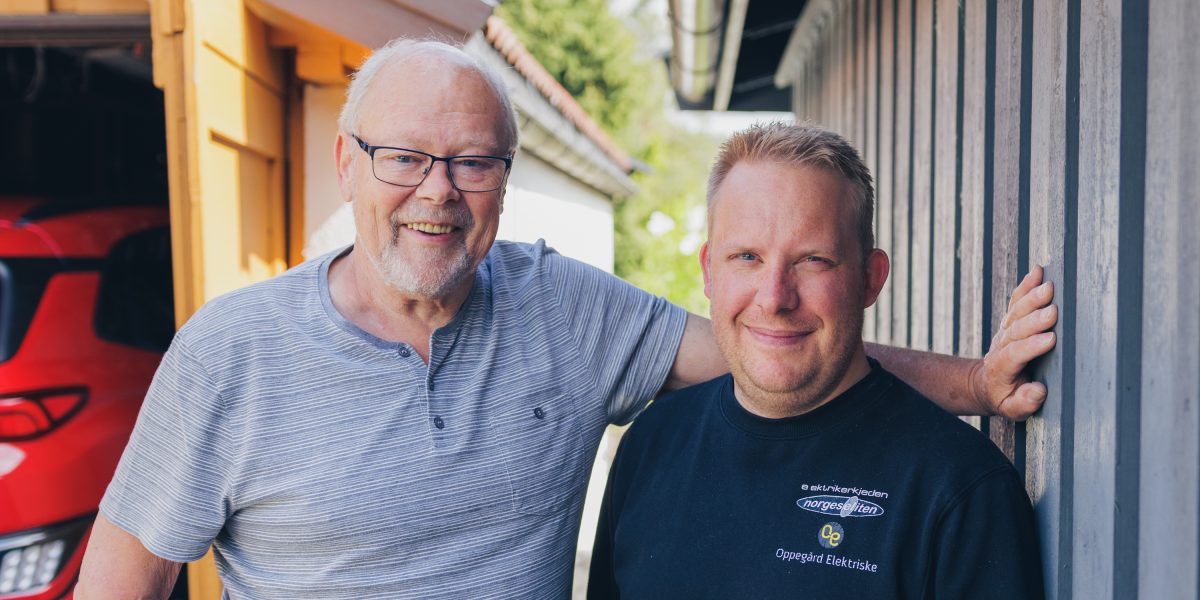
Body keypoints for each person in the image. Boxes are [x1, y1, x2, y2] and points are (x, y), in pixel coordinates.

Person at [76, 40, 1056, 599]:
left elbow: (775, 346)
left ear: (506, 183)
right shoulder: (229, 353)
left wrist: (974, 385)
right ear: (345, 162)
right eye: (403, 157)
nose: (439, 191)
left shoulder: (569, 310)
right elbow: (121, 586)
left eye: (473, 162)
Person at [587, 122, 1045, 599]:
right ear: (708, 272)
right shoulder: (651, 446)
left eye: (813, 260)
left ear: (871, 278)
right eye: (747, 256)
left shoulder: (960, 489)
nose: (774, 298)